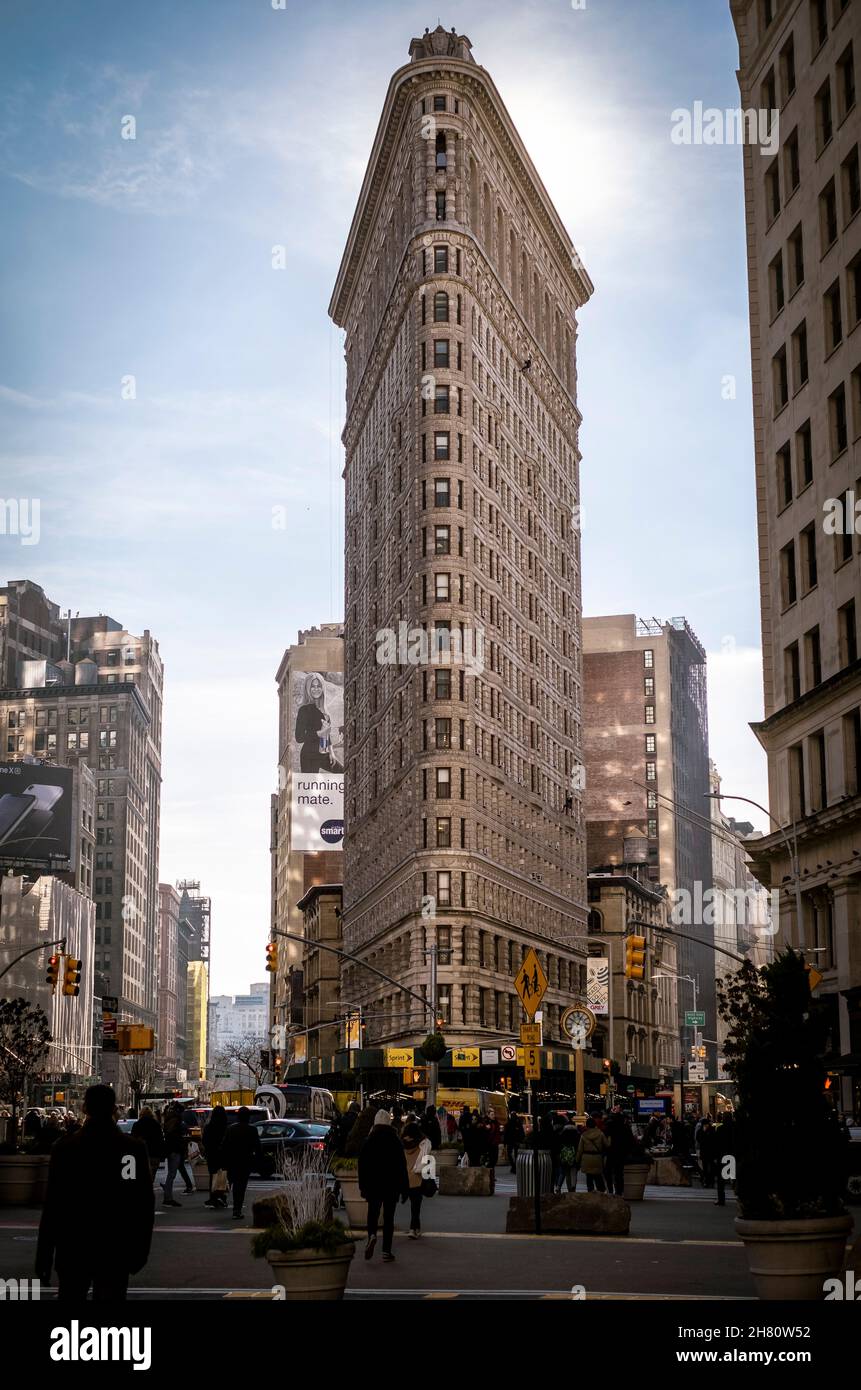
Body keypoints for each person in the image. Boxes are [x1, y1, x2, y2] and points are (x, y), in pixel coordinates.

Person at [35, 1084, 154, 1301]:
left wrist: (44, 1256)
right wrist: (140, 1250)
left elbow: (53, 1205)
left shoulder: (66, 1149)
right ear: (113, 1109)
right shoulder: (131, 1149)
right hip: (114, 1245)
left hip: (73, 1244)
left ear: (84, 1108)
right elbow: (141, 1203)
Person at [358, 1109, 409, 1262]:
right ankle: (386, 1251)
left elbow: (363, 1166)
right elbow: (402, 1166)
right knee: (388, 1218)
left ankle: (372, 1235)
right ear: (389, 1122)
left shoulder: (369, 1140)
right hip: (391, 1186)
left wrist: (363, 1186)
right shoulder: (395, 1141)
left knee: (372, 1213)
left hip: (373, 1185)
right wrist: (404, 1188)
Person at [219, 1107, 265, 1220]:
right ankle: (237, 1209)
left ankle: (222, 1197)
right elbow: (258, 1148)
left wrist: (223, 1161)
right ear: (248, 1117)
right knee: (240, 1187)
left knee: (230, 1182)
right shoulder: (252, 1130)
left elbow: (224, 1146)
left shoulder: (230, 1129)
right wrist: (259, 1161)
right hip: (245, 1162)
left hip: (232, 1161)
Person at [294, 673, 342, 773]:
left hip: (323, 753)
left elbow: (327, 735)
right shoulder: (304, 710)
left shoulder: (325, 712)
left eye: (318, 686)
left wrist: (331, 752)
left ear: (322, 688)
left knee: (342, 772)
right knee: (310, 788)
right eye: (313, 686)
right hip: (309, 755)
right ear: (308, 688)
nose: (316, 689)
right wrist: (319, 733)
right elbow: (299, 738)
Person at [402, 1121, 431, 1239]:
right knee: (415, 1206)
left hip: (405, 1178)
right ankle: (413, 1229)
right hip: (417, 1178)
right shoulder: (423, 1144)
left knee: (413, 1205)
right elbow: (426, 1159)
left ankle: (415, 1228)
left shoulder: (402, 1145)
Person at [202, 1105, 229, 1208]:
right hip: (223, 1154)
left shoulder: (209, 1127)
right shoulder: (225, 1127)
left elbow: (204, 1141)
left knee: (212, 1174)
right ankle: (221, 1196)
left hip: (211, 1154)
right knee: (221, 1175)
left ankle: (213, 1196)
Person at [161, 1104, 188, 1206]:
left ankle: (168, 1196)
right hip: (175, 1149)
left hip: (170, 1149)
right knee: (171, 1174)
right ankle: (168, 1198)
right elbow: (177, 1137)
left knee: (171, 1174)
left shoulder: (169, 1120)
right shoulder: (177, 1121)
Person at [131, 1106, 164, 1184]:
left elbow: (133, 1140)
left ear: (141, 1114)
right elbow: (160, 1140)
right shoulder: (156, 1124)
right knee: (151, 1176)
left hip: (141, 1154)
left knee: (141, 1175)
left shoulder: (137, 1124)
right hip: (154, 1154)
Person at [576, 1116, 609, 1193]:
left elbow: (580, 1150)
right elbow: (607, 1144)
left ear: (587, 1125)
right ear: (595, 1125)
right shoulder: (600, 1134)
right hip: (597, 1158)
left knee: (589, 1177)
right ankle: (600, 1191)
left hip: (586, 1158)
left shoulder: (583, 1135)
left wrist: (577, 1160)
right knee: (598, 1176)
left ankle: (590, 1192)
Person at [604, 1108, 631, 1197]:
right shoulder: (625, 1126)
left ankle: (610, 1190)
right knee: (619, 1172)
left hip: (610, 1151)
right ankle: (619, 1192)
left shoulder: (609, 1125)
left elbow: (605, 1138)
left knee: (608, 1171)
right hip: (621, 1152)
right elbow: (629, 1140)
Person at [713, 1111, 735, 1207]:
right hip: (733, 1155)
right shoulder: (736, 1128)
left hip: (722, 1156)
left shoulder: (720, 1129)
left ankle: (721, 1199)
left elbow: (716, 1144)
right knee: (734, 1177)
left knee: (721, 1180)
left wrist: (715, 1156)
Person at [557, 1116, 581, 1193]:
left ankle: (569, 1188)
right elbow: (579, 1146)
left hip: (565, 1156)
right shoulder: (577, 1134)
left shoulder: (562, 1133)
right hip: (574, 1155)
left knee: (567, 1173)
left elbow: (559, 1145)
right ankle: (573, 1187)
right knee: (573, 1172)